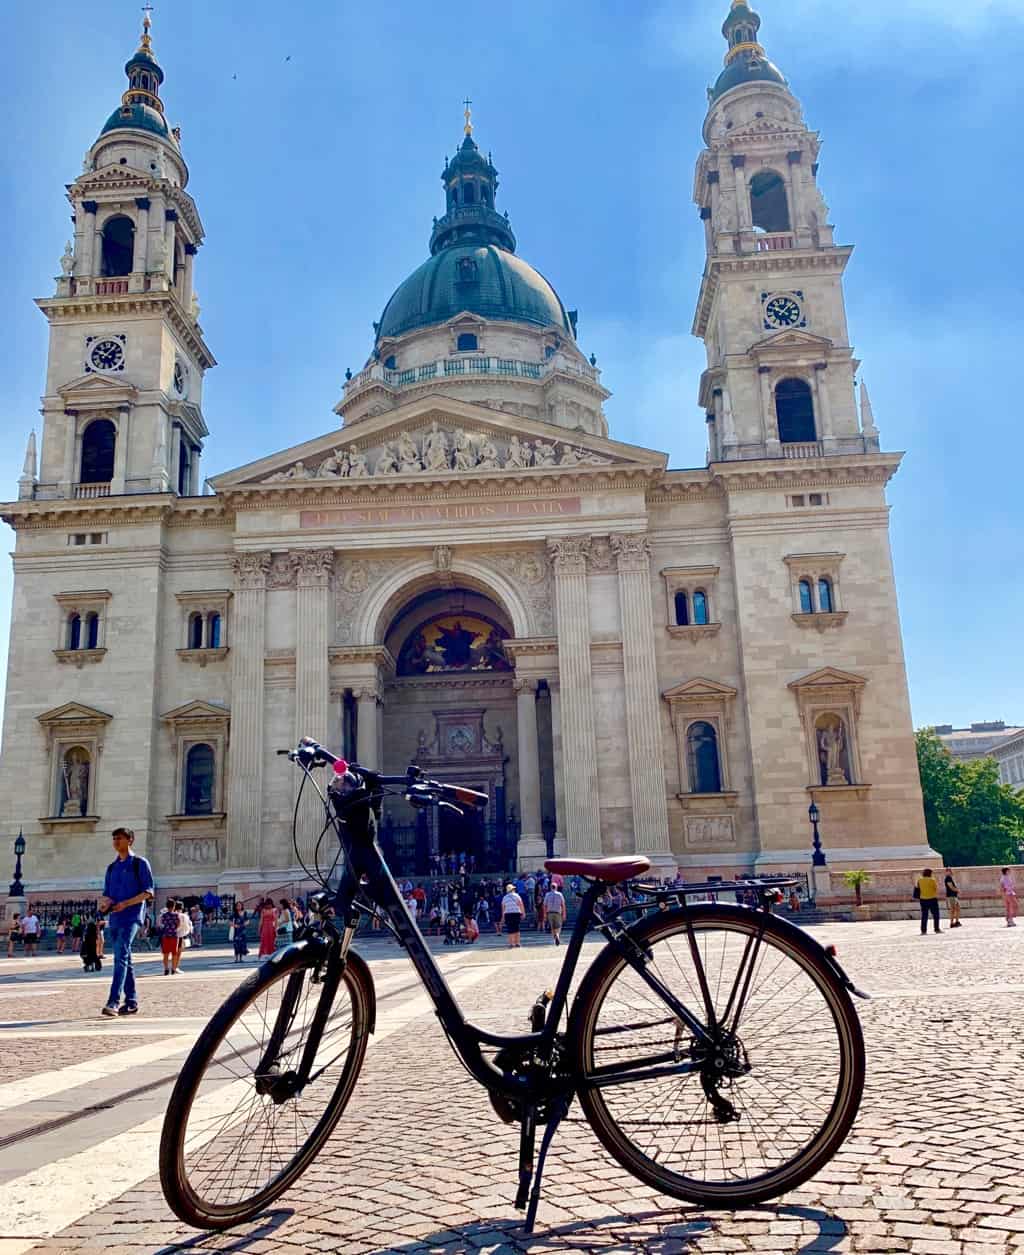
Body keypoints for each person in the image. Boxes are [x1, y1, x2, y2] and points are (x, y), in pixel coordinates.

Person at [98, 826, 155, 1016]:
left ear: (130, 840)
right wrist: (105, 904)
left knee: (120, 956)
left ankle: (113, 1001)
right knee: (126, 957)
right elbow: (107, 894)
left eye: (120, 838)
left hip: (132, 917)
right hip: (115, 917)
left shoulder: (140, 863)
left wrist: (126, 903)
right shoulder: (111, 868)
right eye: (114, 838)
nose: (116, 842)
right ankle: (131, 1001)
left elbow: (148, 892)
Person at [915, 867, 941, 936]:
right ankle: (936, 929)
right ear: (930, 873)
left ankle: (923, 930)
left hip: (923, 899)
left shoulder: (920, 880)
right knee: (936, 915)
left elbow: (917, 888)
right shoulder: (932, 880)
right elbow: (936, 889)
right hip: (932, 899)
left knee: (924, 915)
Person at [158, 898, 180, 975]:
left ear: (167, 906)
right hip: (174, 935)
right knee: (174, 953)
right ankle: (173, 969)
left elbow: (161, 925)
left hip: (166, 935)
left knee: (165, 953)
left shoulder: (164, 915)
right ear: (174, 906)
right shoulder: (176, 915)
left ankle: (166, 969)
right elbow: (178, 924)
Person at [500, 883, 525, 949]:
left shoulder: (505, 897)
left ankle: (511, 944)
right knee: (517, 928)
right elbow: (521, 905)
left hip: (508, 914)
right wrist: (523, 913)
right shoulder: (517, 896)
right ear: (512, 889)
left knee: (510, 929)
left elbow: (503, 907)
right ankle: (517, 943)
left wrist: (503, 917)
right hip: (516, 913)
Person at [173, 899, 192, 973]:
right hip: (180, 935)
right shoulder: (183, 916)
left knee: (170, 952)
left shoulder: (170, 914)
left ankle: (169, 967)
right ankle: (175, 967)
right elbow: (187, 927)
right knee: (178, 952)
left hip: (170, 935)